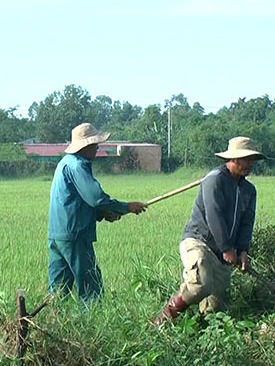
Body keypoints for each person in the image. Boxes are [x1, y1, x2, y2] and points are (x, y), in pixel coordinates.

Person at [153, 137, 263, 325]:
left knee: (216, 309)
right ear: (233, 159)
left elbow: (247, 223)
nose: (249, 164)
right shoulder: (215, 180)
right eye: (246, 159)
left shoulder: (248, 190)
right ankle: (161, 321)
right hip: (199, 241)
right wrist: (227, 248)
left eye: (252, 160)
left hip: (222, 253)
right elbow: (214, 215)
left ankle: (200, 337)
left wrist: (243, 250)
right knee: (199, 286)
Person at [47, 123, 147, 302]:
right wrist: (126, 207)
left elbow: (78, 202)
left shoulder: (65, 163)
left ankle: (47, 322)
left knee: (57, 291)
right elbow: (96, 198)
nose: (97, 147)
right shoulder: (78, 166)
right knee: (91, 289)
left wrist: (103, 215)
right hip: (75, 235)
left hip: (57, 235)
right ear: (85, 146)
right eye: (95, 145)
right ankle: (90, 327)